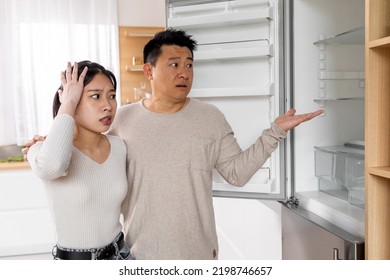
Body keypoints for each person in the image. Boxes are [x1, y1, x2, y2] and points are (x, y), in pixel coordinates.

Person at [24, 29, 323, 260]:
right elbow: (77, 144)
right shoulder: (119, 120)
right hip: (135, 256)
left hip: (199, 255)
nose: (184, 72)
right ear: (149, 71)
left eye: (190, 65)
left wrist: (274, 133)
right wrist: (47, 139)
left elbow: (237, 174)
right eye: (174, 64)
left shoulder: (210, 117)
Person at [26, 61, 132, 260]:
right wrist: (67, 103)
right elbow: (52, 167)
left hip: (121, 256)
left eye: (112, 96)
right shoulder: (41, 150)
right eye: (95, 96)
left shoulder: (120, 147)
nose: (108, 106)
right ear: (71, 102)